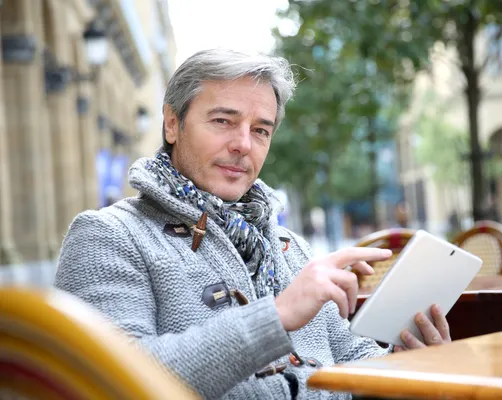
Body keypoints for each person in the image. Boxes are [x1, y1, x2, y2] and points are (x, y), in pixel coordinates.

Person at [54, 49, 451, 400]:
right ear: (172, 124)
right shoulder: (108, 235)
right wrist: (277, 316)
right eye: (224, 121)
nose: (244, 143)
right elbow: (114, 380)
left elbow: (347, 358)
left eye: (260, 130)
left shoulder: (287, 245)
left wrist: (402, 364)